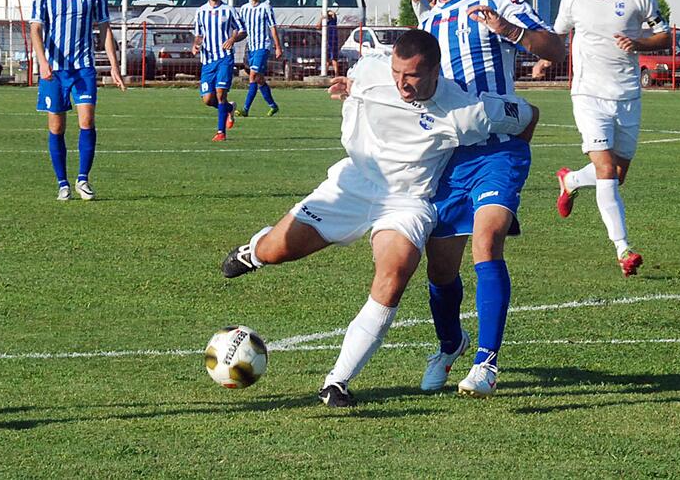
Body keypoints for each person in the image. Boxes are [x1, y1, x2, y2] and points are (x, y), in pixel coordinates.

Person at [220, 30, 537, 407]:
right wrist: (348, 85)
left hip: (407, 201)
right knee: (276, 250)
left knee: (396, 271)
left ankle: (336, 382)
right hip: (353, 184)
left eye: (413, 76)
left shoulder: (465, 112)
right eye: (397, 73)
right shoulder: (372, 71)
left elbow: (527, 117)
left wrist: (507, 171)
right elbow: (359, 78)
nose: (402, 84)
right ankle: (254, 251)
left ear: (436, 71)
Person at [415, 0, 566, 397]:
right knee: (439, 267)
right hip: (447, 156)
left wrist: (511, 31)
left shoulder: (495, 1)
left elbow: (556, 48)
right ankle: (451, 342)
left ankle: (486, 362)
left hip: (499, 148)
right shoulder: (426, 21)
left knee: (488, 238)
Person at [553, 0, 671, 277]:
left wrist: (640, 42)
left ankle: (572, 180)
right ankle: (624, 249)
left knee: (618, 176)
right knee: (606, 171)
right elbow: (558, 33)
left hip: (628, 96)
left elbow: (665, 37)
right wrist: (545, 60)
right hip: (588, 95)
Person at [30, 0, 125, 201]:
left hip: (83, 67)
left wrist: (114, 67)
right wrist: (42, 61)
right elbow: (35, 29)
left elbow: (105, 28)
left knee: (87, 121)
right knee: (56, 127)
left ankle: (83, 179)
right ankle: (62, 183)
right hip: (55, 71)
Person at [192, 0, 245, 142]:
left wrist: (232, 39)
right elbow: (198, 35)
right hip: (208, 60)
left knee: (221, 93)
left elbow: (242, 30)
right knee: (208, 99)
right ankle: (229, 108)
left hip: (224, 58)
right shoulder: (200, 11)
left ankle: (221, 132)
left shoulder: (229, 10)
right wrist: (196, 45)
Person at [236, 0, 282, 117]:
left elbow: (273, 27)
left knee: (253, 75)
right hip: (251, 47)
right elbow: (241, 29)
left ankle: (245, 109)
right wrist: (231, 40)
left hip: (263, 46)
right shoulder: (244, 9)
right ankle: (273, 106)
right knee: (259, 79)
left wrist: (278, 47)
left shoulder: (266, 7)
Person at [318, 10, 340, 76]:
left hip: (333, 42)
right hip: (327, 43)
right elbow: (318, 26)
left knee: (333, 59)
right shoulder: (325, 23)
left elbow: (334, 14)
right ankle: (324, 73)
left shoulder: (333, 21)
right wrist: (321, 18)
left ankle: (336, 74)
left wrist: (328, 12)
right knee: (326, 59)